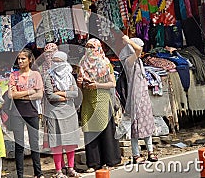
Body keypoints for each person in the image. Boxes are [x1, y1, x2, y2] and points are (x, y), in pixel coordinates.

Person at [77, 38, 121, 172]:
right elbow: (79, 82)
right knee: (90, 130)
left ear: (98, 47)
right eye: (88, 47)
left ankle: (110, 160)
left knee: (106, 130)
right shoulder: (82, 63)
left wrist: (97, 85)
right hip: (87, 100)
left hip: (102, 99)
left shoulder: (105, 63)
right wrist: (81, 82)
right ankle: (94, 163)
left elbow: (112, 83)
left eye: (92, 47)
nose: (90, 50)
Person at [119, 36, 158, 164]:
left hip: (143, 95)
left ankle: (150, 151)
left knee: (147, 122)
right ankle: (136, 154)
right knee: (135, 125)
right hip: (134, 96)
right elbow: (139, 50)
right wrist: (129, 41)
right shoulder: (129, 60)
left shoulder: (138, 61)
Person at [8, 48, 44, 178]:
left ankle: (38, 173)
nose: (20, 61)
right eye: (19, 59)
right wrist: (29, 92)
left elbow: (39, 94)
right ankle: (20, 174)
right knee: (19, 144)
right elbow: (11, 94)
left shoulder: (36, 75)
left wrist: (21, 95)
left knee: (34, 144)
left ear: (29, 60)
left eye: (23, 58)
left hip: (32, 111)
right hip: (17, 112)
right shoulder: (14, 75)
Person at [44, 51, 80, 178]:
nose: (56, 64)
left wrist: (61, 93)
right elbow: (50, 95)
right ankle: (58, 170)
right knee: (57, 143)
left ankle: (70, 168)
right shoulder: (49, 76)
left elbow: (75, 93)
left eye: (59, 61)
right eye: (54, 61)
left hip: (69, 112)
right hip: (54, 113)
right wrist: (66, 95)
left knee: (70, 141)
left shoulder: (70, 76)